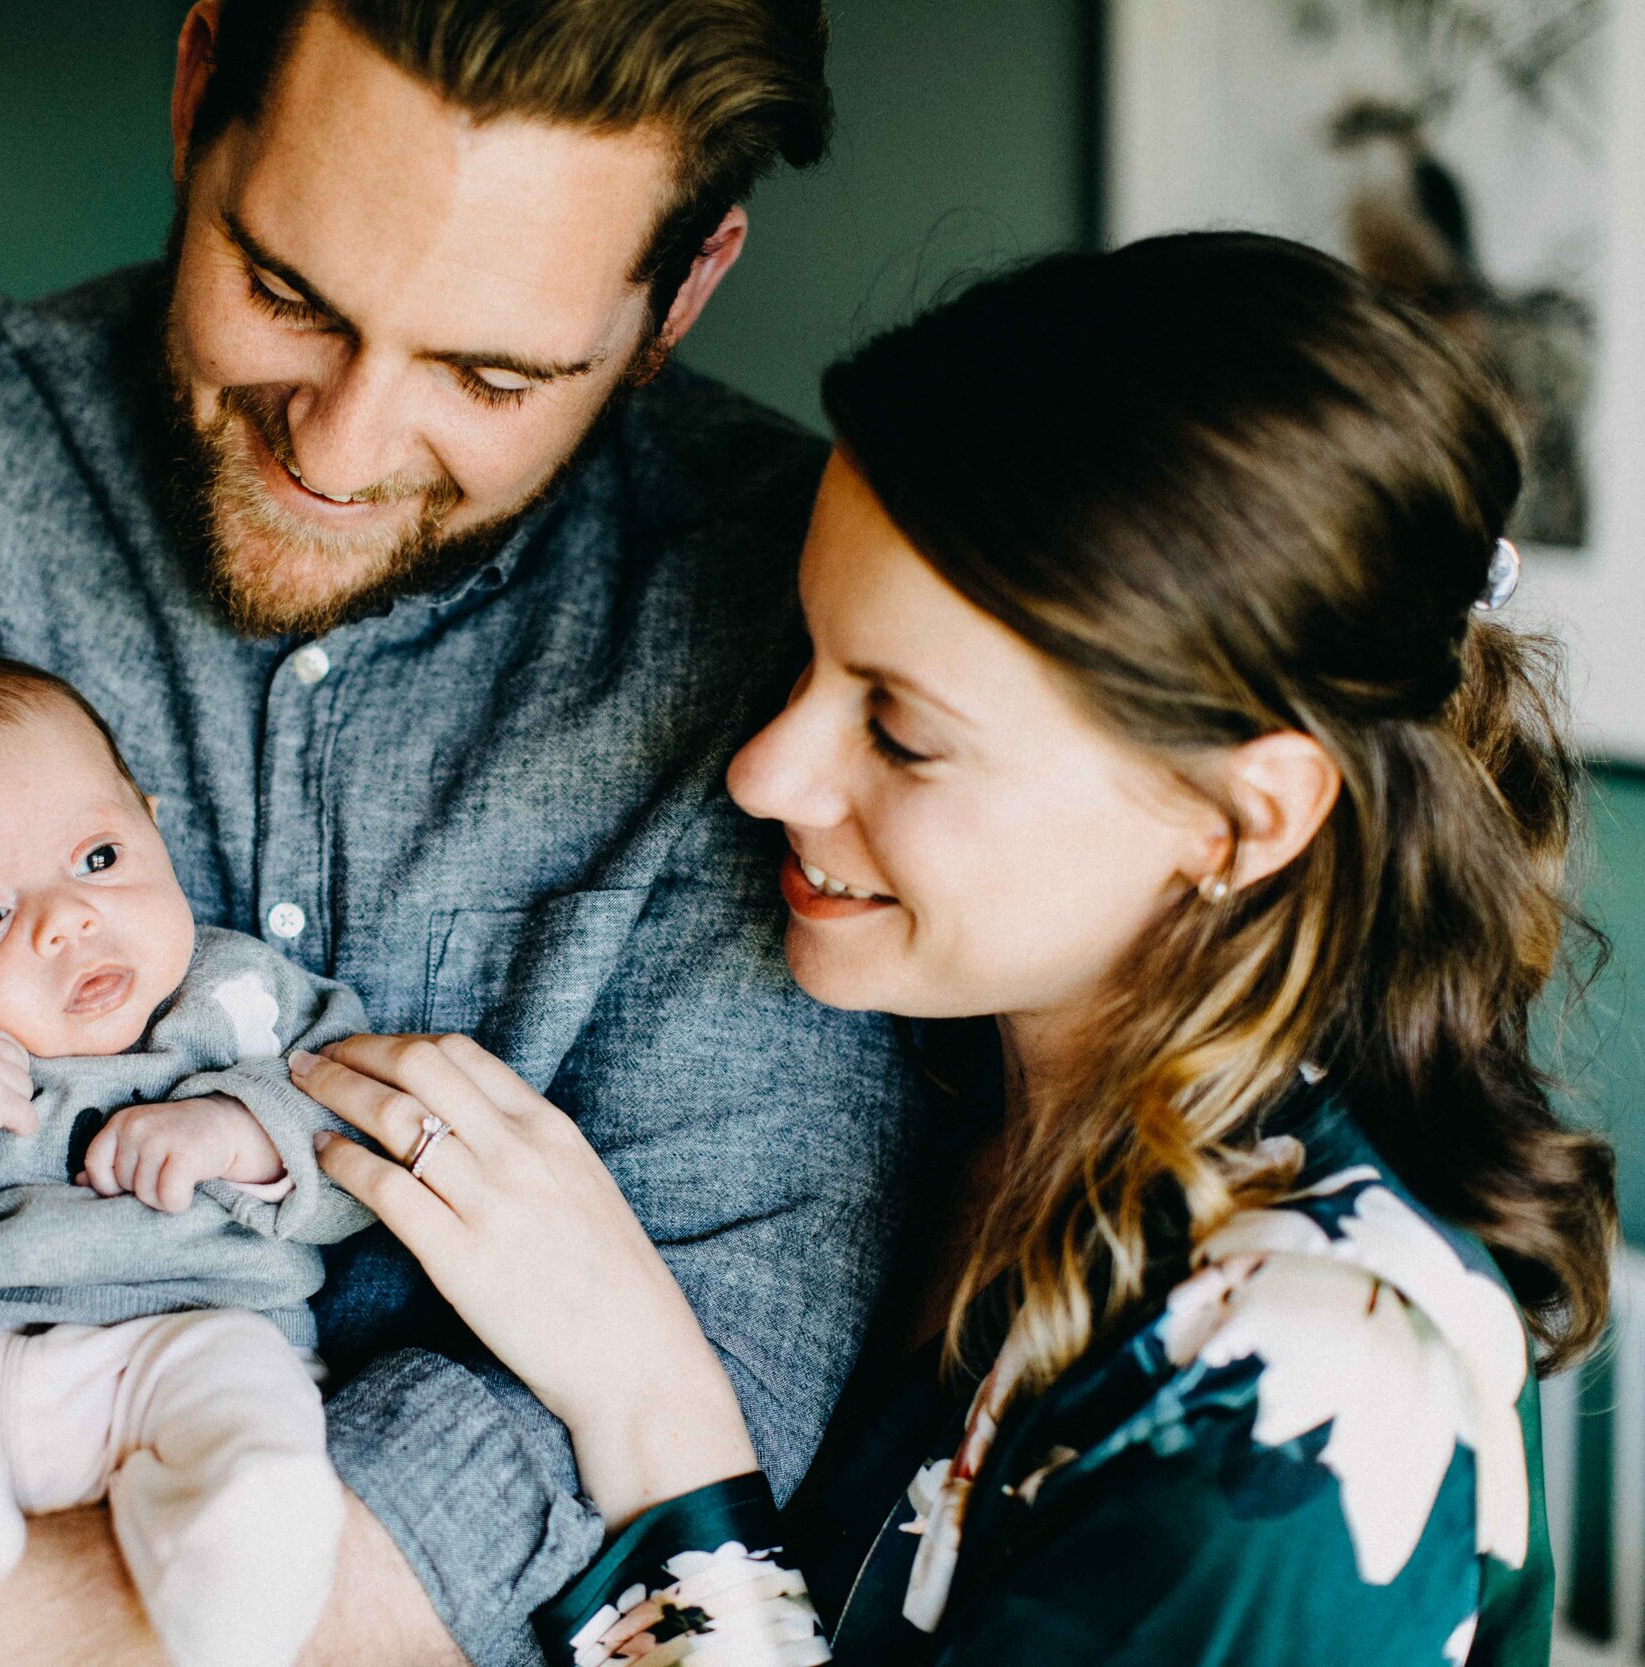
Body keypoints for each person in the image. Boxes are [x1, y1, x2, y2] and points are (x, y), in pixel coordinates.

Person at [0, 2, 918, 1664]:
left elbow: (710, 1361)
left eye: (490, 372)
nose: (342, 444)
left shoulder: (779, 613)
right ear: (196, 94)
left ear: (683, 288)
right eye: (286, 292)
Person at [290, 233, 1618, 1665]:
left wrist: (654, 1414)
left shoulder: (1299, 1404)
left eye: (903, 732)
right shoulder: (935, 1062)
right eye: (804, 653)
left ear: (1240, 812)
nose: (767, 773)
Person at [0, 652, 377, 1667]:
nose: (65, 918)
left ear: (149, 820)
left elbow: (353, 1134)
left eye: (97, 857)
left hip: (192, 1339)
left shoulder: (242, 998)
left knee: (259, 1438)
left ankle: (230, 1586)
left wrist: (235, 1128)